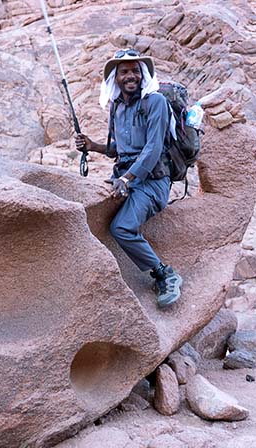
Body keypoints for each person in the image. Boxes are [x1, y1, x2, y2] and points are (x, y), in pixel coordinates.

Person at [75, 48, 183, 307]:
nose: (131, 75)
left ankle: (165, 275)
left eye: (135, 70)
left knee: (121, 228)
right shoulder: (116, 107)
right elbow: (119, 150)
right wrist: (93, 146)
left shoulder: (155, 102)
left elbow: (153, 148)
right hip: (125, 179)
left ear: (143, 74)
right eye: (124, 71)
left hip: (152, 183)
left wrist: (127, 180)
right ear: (116, 77)